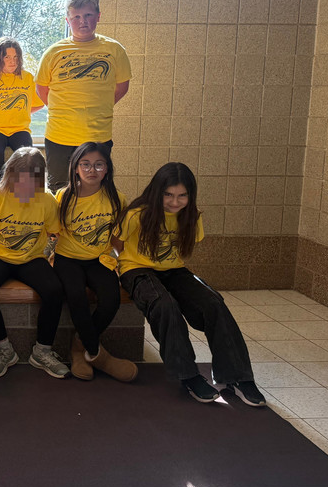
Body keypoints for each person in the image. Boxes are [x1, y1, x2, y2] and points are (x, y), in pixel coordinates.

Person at [112, 162, 265, 406]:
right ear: (157, 191)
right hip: (137, 270)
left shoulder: (191, 216)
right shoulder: (136, 214)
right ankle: (188, 375)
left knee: (213, 303)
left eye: (182, 195)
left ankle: (237, 377)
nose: (175, 202)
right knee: (166, 306)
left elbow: (185, 249)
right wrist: (123, 266)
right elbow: (116, 242)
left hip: (174, 270)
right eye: (168, 195)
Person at [0, 148, 67, 379]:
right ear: (10, 176)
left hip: (31, 258)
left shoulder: (46, 200)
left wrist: (39, 250)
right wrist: (3, 244)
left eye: (31, 181)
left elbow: (54, 232)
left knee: (55, 291)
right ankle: (4, 349)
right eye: (19, 180)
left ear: (39, 179)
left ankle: (42, 351)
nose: (24, 186)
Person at [54, 143, 137, 382]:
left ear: (107, 169)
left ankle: (79, 346)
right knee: (76, 297)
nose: (92, 170)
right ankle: (99, 355)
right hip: (67, 258)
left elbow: (118, 237)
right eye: (86, 164)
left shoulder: (116, 198)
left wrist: (124, 262)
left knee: (111, 300)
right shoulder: (64, 196)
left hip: (99, 259)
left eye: (99, 164)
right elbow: (53, 231)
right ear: (76, 168)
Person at [35, 0, 132, 192]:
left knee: (97, 192)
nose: (83, 21)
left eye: (88, 15)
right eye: (76, 17)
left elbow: (122, 87)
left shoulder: (114, 50)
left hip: (97, 136)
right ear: (67, 20)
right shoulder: (54, 52)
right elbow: (41, 89)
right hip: (59, 136)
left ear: (98, 16)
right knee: (59, 191)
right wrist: (66, 110)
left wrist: (98, 107)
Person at [0, 37, 43, 180]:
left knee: (28, 157)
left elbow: (40, 102)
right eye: (7, 57)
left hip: (20, 129)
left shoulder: (27, 77)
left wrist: (19, 111)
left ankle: (24, 193)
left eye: (16, 57)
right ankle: (4, 188)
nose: (13, 61)